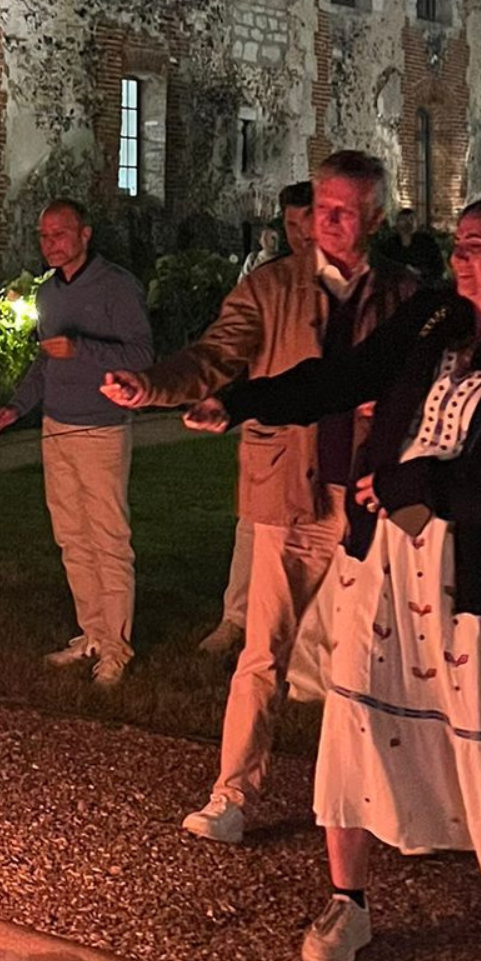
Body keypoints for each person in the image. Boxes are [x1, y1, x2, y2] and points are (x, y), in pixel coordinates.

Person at [188, 196, 481, 961]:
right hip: (387, 555)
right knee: (357, 713)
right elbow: (349, 376)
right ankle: (348, 900)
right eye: (458, 244)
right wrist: (241, 402)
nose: (460, 257)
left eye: (477, 246)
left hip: (472, 570)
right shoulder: (437, 321)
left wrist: (412, 479)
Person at [102, 152, 419, 844]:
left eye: (345, 210)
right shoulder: (273, 289)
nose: (327, 223)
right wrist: (152, 386)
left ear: (375, 216)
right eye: (320, 209)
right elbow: (214, 354)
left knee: (378, 657)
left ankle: (384, 800)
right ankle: (231, 795)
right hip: (290, 495)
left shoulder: (404, 296)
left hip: (371, 499)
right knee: (261, 654)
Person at [0, 200, 153, 685]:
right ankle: (93, 632)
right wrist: (16, 408)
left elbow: (142, 352)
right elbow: (45, 362)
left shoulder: (117, 286)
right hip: (56, 426)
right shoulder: (50, 293)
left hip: (101, 426)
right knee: (72, 537)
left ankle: (117, 647)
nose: (50, 243)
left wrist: (83, 350)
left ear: (85, 234)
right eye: (43, 236)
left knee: (108, 538)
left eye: (60, 234)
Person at [201, 181, 314, 655]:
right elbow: (228, 345)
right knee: (253, 526)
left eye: (304, 223)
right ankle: (237, 620)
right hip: (266, 419)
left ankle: (301, 638)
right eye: (289, 225)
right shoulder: (269, 282)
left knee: (311, 534)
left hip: (314, 422)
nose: (298, 235)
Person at [379, 207, 445, 282]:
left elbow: (438, 268)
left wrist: (420, 273)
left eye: (411, 219)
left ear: (417, 223)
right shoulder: (389, 245)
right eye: (403, 220)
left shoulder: (427, 243)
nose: (408, 223)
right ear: (397, 223)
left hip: (424, 287)